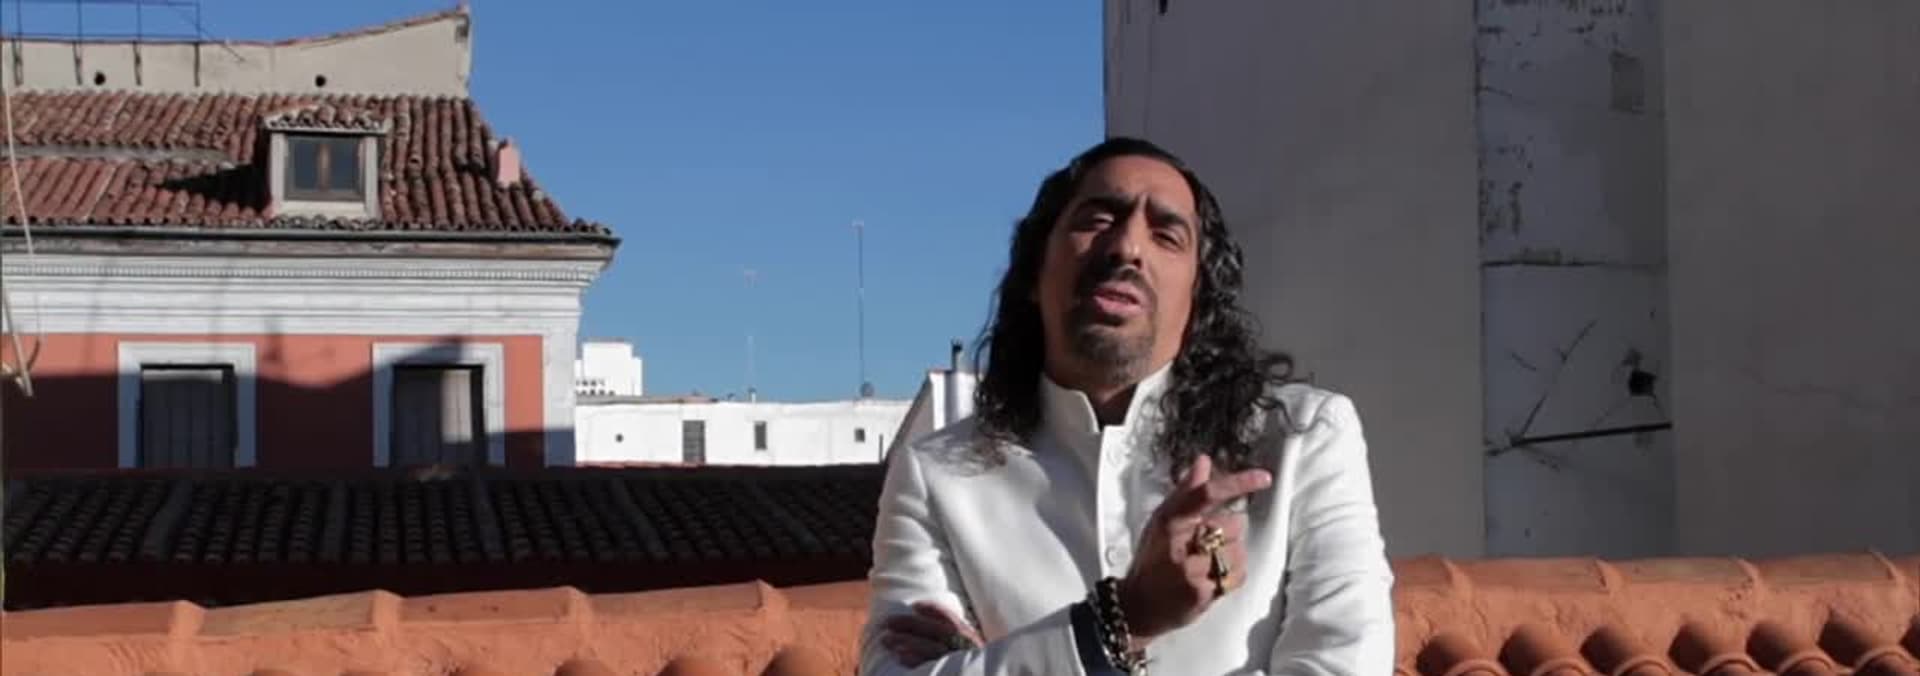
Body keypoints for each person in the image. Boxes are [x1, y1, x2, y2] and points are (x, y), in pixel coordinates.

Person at [856, 137, 1395, 675]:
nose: (1127, 246)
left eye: (1166, 235)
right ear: (1034, 271)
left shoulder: (1303, 438)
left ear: (1198, 298)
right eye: (1097, 219)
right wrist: (1126, 618)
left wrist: (1000, 662)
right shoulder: (936, 474)